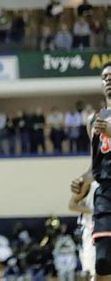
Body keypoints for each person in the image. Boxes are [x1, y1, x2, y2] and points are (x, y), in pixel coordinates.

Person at [71, 63, 111, 280]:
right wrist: (82, 179)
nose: (109, 81)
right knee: (103, 263)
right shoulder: (94, 120)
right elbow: (95, 164)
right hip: (105, 195)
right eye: (105, 77)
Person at [69, 180, 98, 279]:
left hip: (106, 229)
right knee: (92, 270)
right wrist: (94, 211)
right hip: (91, 230)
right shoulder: (89, 183)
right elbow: (72, 205)